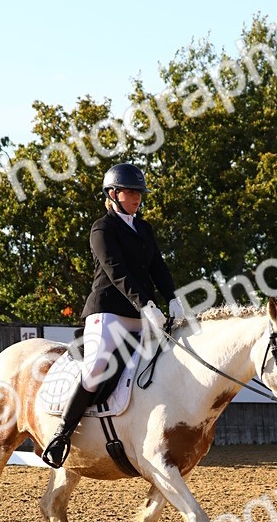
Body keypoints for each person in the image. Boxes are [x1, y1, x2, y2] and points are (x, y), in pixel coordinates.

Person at [42, 163, 184, 467]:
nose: (137, 197)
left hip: (142, 316)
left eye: (139, 192)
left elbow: (158, 267)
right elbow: (115, 271)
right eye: (130, 192)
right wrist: (146, 303)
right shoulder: (102, 228)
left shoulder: (144, 228)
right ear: (113, 194)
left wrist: (173, 297)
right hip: (107, 313)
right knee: (95, 370)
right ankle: (61, 435)